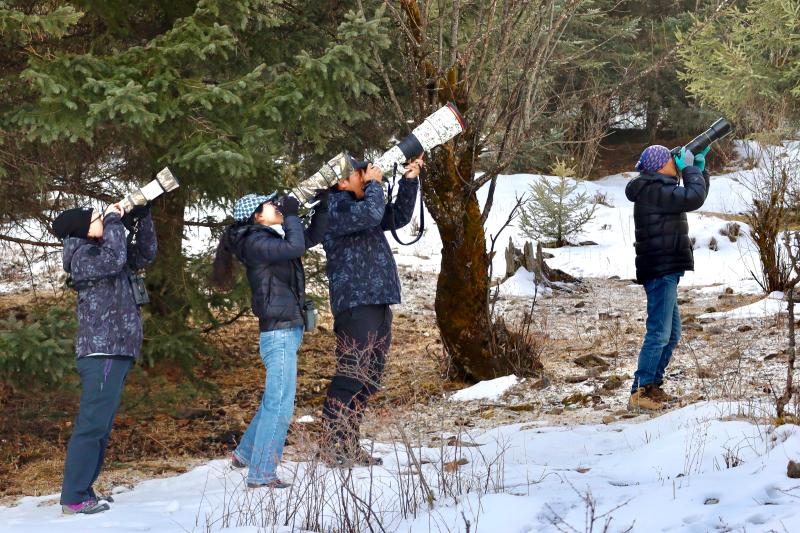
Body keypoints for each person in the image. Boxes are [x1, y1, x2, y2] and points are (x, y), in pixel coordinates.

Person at [211, 191, 327, 488]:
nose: (276, 207)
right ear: (257, 216)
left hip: (284, 329)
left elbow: (306, 238)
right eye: (271, 205)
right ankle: (262, 474)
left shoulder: (264, 238)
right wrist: (290, 214)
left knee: (272, 399)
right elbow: (295, 245)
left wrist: (323, 205)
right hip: (279, 333)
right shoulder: (254, 241)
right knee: (280, 404)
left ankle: (245, 454)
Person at [320, 154, 423, 467]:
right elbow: (373, 211)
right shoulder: (335, 207)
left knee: (369, 376)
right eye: (359, 173)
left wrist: (409, 180)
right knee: (351, 374)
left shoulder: (364, 205)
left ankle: (348, 445)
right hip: (355, 301)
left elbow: (399, 217)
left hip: (377, 299)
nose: (365, 175)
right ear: (340, 181)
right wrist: (375, 184)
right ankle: (333, 446)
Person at [54, 202, 157, 514]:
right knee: (91, 425)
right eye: (96, 218)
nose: (104, 220)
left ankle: (84, 491)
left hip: (118, 349)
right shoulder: (83, 257)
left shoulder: (105, 253)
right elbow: (115, 258)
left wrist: (142, 219)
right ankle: (73, 497)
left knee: (100, 426)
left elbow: (144, 255)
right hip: (102, 351)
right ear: (84, 228)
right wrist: (113, 217)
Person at [625, 144, 710, 411]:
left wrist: (699, 171)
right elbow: (693, 197)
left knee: (671, 334)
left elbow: (694, 194)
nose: (677, 163)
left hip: (665, 269)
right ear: (662, 165)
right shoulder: (655, 191)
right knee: (659, 332)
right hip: (660, 270)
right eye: (673, 160)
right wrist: (691, 169)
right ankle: (640, 391)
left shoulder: (658, 189)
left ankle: (653, 387)